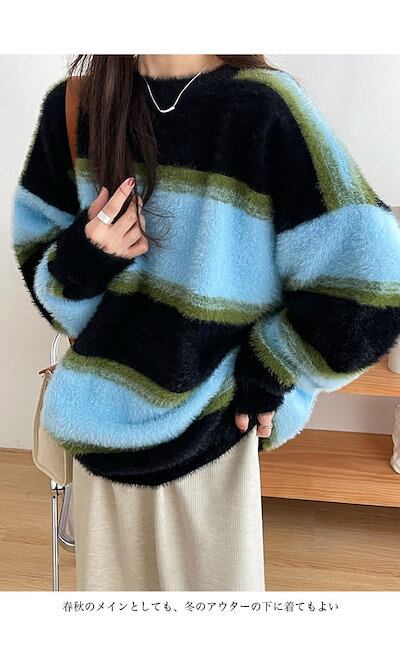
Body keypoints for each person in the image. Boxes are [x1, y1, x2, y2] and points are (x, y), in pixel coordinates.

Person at [11, 54, 400, 591]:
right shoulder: (77, 107)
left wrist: (272, 367)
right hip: (98, 433)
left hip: (212, 441)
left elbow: (374, 281)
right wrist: (85, 257)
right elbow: (46, 271)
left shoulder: (262, 107)